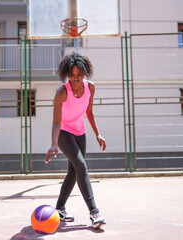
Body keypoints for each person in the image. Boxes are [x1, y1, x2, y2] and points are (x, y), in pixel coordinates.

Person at [45, 52, 106, 229]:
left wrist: (97, 134)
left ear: (85, 73)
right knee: (81, 165)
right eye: (72, 75)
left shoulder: (90, 88)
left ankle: (60, 208)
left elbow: (89, 112)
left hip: (80, 132)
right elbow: (56, 121)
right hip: (64, 132)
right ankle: (94, 212)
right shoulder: (62, 92)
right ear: (67, 75)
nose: (76, 78)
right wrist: (54, 143)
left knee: (73, 171)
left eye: (79, 75)